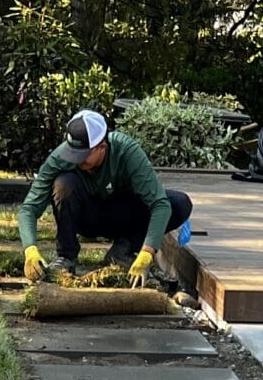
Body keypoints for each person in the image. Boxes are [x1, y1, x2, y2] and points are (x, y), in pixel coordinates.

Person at [17, 110, 192, 282]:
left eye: (83, 155)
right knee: (63, 184)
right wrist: (30, 250)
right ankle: (66, 257)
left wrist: (148, 251)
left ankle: (123, 250)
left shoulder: (127, 151)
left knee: (179, 203)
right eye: (73, 153)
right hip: (87, 218)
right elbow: (29, 209)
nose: (76, 160)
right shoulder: (60, 157)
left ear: (102, 147)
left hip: (123, 216)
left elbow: (159, 205)